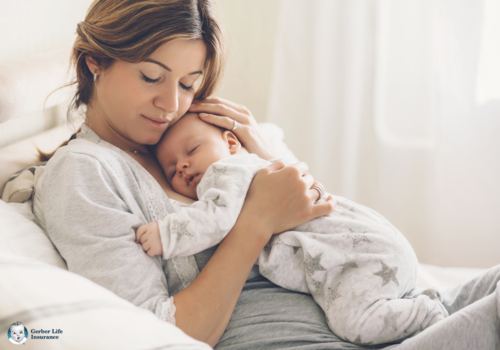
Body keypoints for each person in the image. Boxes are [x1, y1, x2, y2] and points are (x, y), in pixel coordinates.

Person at [33, 0, 500, 349]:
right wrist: (256, 220)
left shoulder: (183, 134)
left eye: (188, 83)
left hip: (377, 313)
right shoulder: (83, 175)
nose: (171, 103)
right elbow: (158, 329)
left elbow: (315, 216)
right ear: (96, 61)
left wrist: (263, 150)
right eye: (151, 77)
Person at [135, 112, 447, 345]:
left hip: (360, 256)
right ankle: (420, 302)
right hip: (375, 249)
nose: (183, 166)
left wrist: (167, 234)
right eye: (172, 169)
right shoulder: (261, 169)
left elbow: (213, 220)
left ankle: (427, 315)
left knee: (354, 321)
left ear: (231, 143)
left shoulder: (227, 172)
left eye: (191, 151)